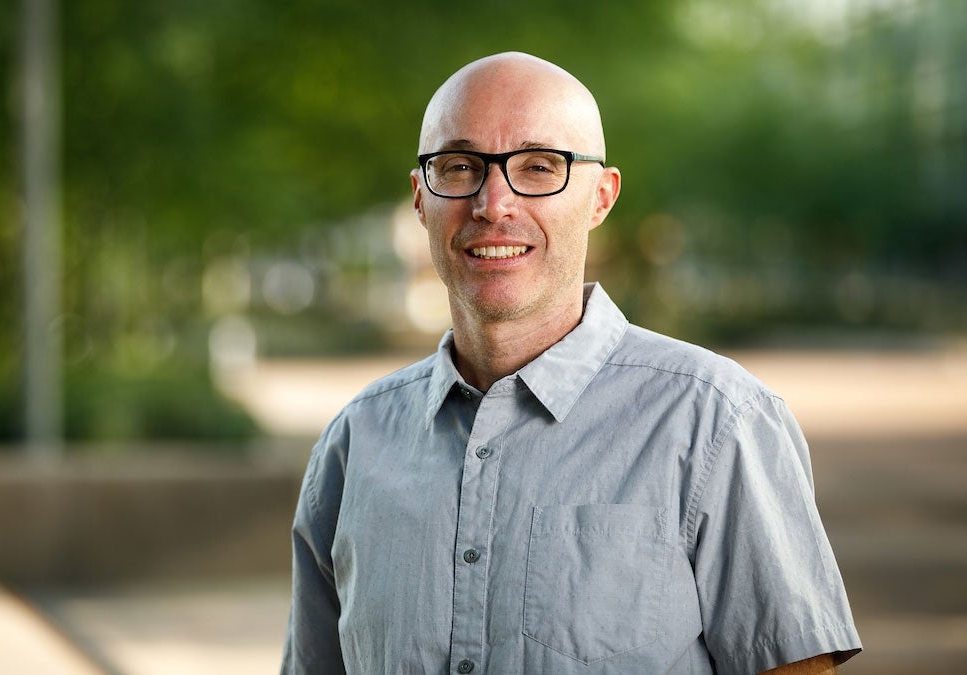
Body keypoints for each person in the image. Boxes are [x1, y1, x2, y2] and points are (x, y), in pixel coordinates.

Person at [281, 51, 862, 674]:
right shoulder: (355, 443)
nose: (493, 203)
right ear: (421, 197)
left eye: (538, 167)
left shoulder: (718, 422)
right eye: (460, 166)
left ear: (600, 198)